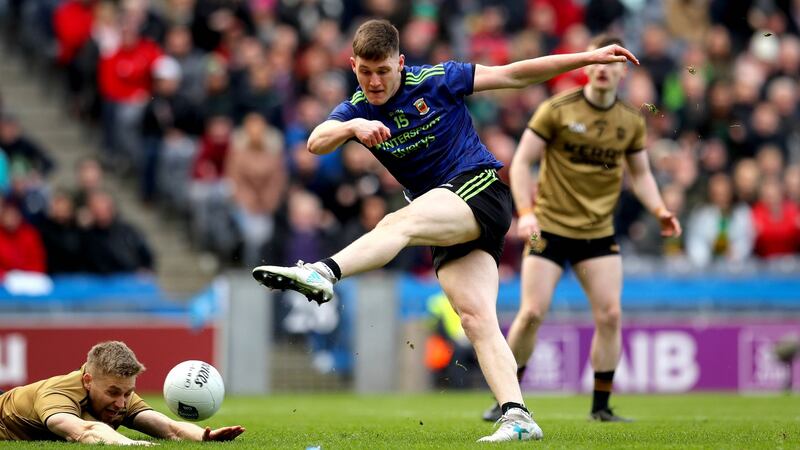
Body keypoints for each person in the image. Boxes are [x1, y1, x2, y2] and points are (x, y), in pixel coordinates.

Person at [252, 19, 638, 442]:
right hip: (445, 217)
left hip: (480, 191)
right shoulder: (357, 108)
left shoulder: (437, 79)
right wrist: (351, 127)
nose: (375, 81)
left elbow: (513, 74)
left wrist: (586, 58)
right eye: (365, 72)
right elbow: (315, 142)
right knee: (476, 319)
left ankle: (323, 272)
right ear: (352, 65)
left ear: (400, 63)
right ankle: (517, 414)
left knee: (398, 222)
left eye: (383, 71)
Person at [481, 34, 681, 424]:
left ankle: (601, 407)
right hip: (546, 227)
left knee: (610, 316)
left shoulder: (629, 121)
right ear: (586, 65)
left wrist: (659, 209)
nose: (604, 69)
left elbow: (640, 174)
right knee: (532, 313)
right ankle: (508, 399)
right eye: (599, 61)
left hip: (598, 232)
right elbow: (520, 164)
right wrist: (526, 212)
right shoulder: (556, 110)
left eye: (613, 63)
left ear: (623, 71)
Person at [0, 341, 244, 443]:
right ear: (88, 381)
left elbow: (170, 428)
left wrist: (203, 437)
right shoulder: (57, 394)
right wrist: (130, 444)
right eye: (114, 393)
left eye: (127, 394)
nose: (121, 403)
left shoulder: (122, 394)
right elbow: (84, 431)